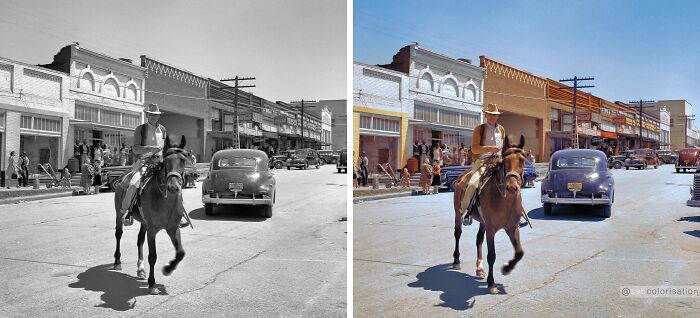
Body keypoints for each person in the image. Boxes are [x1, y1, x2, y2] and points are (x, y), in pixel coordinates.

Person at [119, 103, 188, 228]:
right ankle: (127, 212)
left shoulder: (162, 129)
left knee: (175, 182)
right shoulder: (141, 129)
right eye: (151, 115)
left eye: (156, 115)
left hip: (160, 162)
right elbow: (135, 149)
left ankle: (179, 213)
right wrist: (151, 148)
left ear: (158, 116)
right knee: (134, 184)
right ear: (147, 115)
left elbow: (165, 147)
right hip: (144, 162)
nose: (154, 117)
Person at [459, 104, 506, 226]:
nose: (492, 117)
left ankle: (517, 213)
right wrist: (490, 148)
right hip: (483, 162)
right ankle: (466, 211)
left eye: (495, 115)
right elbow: (474, 149)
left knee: (513, 182)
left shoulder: (501, 129)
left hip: (499, 161)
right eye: (490, 114)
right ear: (486, 115)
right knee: (473, 184)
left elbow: (503, 146)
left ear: (497, 116)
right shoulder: (479, 129)